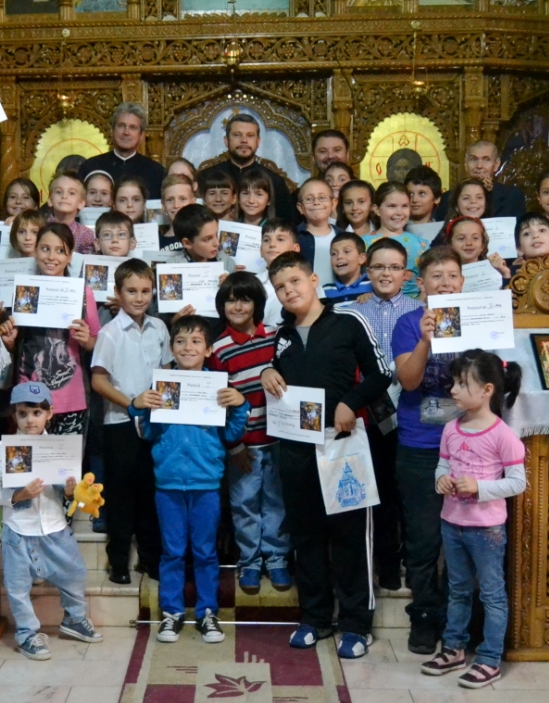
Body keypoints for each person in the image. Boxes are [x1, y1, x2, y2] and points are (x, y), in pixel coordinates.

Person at [261, 252, 394, 658]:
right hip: (297, 449)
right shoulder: (281, 335)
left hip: (342, 445)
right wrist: (268, 371)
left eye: (295, 282)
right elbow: (276, 373)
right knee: (307, 536)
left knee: (350, 536)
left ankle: (356, 625)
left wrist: (351, 403)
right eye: (281, 287)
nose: (289, 291)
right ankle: (315, 618)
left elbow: (380, 373)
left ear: (314, 280)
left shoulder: (348, 321)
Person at [130, 315, 250, 643]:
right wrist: (137, 407)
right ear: (171, 347)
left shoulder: (219, 388)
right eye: (180, 341)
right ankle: (172, 613)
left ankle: (207, 613)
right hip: (168, 483)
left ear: (209, 348)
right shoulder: (162, 386)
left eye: (196, 341)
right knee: (171, 551)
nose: (188, 347)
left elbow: (232, 434)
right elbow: (148, 432)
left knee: (205, 551)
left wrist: (240, 405)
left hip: (206, 482)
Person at [418, 350, 525, 689]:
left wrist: (479, 488)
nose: (453, 390)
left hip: (487, 529)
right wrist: (441, 480)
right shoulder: (452, 428)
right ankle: (453, 648)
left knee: (492, 594)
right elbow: (443, 465)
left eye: (463, 384)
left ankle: (490, 658)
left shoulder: (503, 435)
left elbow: (517, 483)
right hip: (453, 523)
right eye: (454, 382)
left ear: (487, 390)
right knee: (457, 589)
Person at [0, 381, 104, 659]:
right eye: (23, 413)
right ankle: (27, 634)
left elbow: (68, 489)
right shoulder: (6, 448)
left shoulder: (59, 447)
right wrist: (18, 494)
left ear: (49, 413)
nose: (30, 420)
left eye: (37, 413)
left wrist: (71, 490)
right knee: (17, 587)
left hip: (54, 526)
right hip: (18, 529)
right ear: (14, 415)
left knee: (75, 573)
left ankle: (74, 619)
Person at [391, 246, 463, 654]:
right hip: (420, 446)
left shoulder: (478, 319)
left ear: (463, 281)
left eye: (452, 276)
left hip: (470, 448)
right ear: (421, 283)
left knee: (463, 538)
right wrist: (425, 339)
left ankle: (457, 618)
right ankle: (423, 614)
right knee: (422, 540)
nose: (445, 283)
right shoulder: (407, 322)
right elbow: (411, 381)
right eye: (436, 276)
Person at [210, 273, 292, 595]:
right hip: (244, 445)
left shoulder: (277, 336)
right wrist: (233, 446)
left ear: (258, 303)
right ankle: (249, 562)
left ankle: (277, 559)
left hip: (279, 440)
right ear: (222, 305)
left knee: (277, 503)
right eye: (231, 299)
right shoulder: (218, 349)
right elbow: (216, 405)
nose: (238, 305)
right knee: (244, 505)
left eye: (245, 298)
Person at [90, 258, 168, 584]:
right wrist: (132, 403)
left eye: (145, 291)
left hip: (155, 423)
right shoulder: (110, 333)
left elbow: (168, 374)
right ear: (118, 294)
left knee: (152, 492)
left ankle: (151, 559)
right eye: (131, 291)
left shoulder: (160, 328)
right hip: (120, 424)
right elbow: (98, 381)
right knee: (121, 497)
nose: (139, 298)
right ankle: (118, 562)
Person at [355, 238, 420, 590]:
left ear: (406, 274)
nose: (386, 273)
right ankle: (385, 564)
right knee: (376, 491)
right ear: (367, 271)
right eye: (379, 266)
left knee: (404, 490)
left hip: (409, 410)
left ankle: (409, 559)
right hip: (369, 413)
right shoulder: (352, 312)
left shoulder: (417, 310)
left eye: (394, 267)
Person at [1, 222, 102, 435]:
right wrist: (10, 342)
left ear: (70, 256)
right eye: (45, 249)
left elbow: (96, 342)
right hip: (29, 398)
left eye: (60, 251)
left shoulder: (83, 294)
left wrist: (86, 341)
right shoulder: (22, 291)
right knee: (30, 465)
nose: (51, 257)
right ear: (36, 251)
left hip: (71, 399)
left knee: (67, 466)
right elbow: (16, 346)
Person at [77, 103, 167, 201]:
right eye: (121, 126)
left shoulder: (156, 172)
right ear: (112, 131)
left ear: (141, 135)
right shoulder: (90, 167)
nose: (126, 132)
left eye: (133, 127)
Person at [218, 113, 294, 220]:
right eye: (237, 135)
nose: (244, 140)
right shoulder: (207, 177)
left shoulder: (275, 181)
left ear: (258, 142)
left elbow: (287, 224)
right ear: (226, 141)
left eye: (250, 135)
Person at [435, 141, 527, 219]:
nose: (479, 166)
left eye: (486, 159)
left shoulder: (512, 196)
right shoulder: (447, 198)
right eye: (473, 159)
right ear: (466, 163)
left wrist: (489, 193)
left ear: (496, 164)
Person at [293, 178, 342, 283]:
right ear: (300, 207)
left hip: (338, 297)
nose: (316, 202)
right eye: (309, 199)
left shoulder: (344, 237)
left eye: (322, 198)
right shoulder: (292, 237)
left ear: (333, 204)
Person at [446, 216, 512, 285]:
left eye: (475, 238)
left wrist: (505, 274)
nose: (469, 243)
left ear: (482, 245)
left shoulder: (496, 271)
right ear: (450, 245)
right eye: (461, 238)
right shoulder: (441, 273)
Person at [259, 218, 301, 326]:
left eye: (280, 239)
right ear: (260, 250)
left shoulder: (307, 279)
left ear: (295, 248)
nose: (272, 244)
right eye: (266, 240)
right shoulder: (254, 283)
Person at [45, 172, 97, 255]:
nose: (64, 196)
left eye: (71, 193)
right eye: (59, 192)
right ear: (50, 200)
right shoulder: (39, 228)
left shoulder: (85, 235)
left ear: (81, 203)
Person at [324, 231, 373, 303]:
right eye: (334, 254)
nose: (339, 257)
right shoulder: (325, 291)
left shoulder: (373, 286)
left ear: (361, 258)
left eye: (346, 251)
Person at [158, 174, 197, 248]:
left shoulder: (202, 239)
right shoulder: (157, 244)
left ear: (193, 202)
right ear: (163, 205)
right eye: (170, 200)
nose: (176, 205)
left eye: (182, 199)